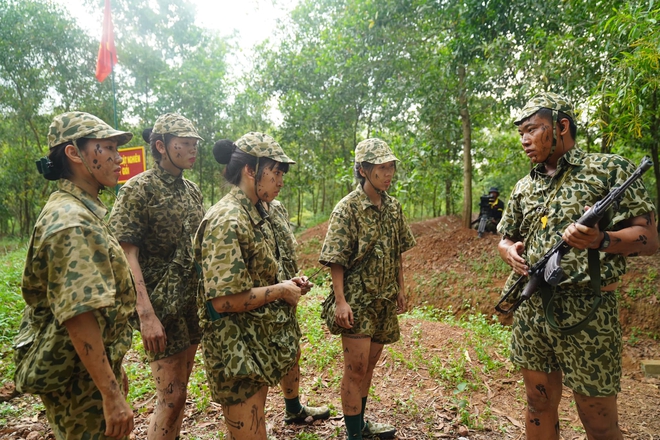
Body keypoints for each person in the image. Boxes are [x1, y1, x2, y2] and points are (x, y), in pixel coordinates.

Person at [497, 92, 658, 440]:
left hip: (589, 313)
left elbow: (649, 238)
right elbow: (505, 237)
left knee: (598, 420)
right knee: (537, 405)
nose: (524, 139)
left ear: (562, 126)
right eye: (521, 132)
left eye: (532, 129)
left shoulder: (609, 169)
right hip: (534, 309)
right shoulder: (525, 185)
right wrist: (508, 251)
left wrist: (602, 241)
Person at [194, 133, 327, 440]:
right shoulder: (228, 220)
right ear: (250, 170)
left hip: (258, 341)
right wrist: (281, 290)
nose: (280, 181)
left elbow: (259, 274)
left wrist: (287, 282)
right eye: (275, 172)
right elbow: (222, 302)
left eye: (282, 173)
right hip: (235, 351)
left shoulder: (257, 209)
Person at [14, 111, 135, 439]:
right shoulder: (71, 221)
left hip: (86, 372)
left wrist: (113, 374)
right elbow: (78, 315)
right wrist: (110, 393)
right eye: (107, 148)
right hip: (78, 380)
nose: (118, 157)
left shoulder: (82, 210)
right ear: (74, 153)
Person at [108, 113, 204, 440]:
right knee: (171, 397)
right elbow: (126, 253)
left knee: (180, 395)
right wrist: (145, 314)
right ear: (161, 146)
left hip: (189, 302)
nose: (193, 150)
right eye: (185, 144)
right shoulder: (138, 190)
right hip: (159, 306)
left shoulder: (192, 191)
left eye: (195, 144)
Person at [319, 138, 416, 440]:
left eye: (391, 167)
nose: (388, 174)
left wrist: (400, 288)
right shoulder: (347, 209)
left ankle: (359, 424)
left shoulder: (393, 207)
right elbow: (336, 259)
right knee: (355, 369)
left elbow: (397, 250)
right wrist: (340, 302)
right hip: (357, 302)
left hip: (384, 300)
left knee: (370, 365)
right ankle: (353, 434)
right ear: (363, 170)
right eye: (381, 168)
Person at [261, 198, 330, 425]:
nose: (280, 180)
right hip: (259, 302)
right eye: (275, 171)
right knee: (259, 364)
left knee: (291, 350)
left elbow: (285, 253)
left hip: (285, 297)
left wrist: (295, 282)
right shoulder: (239, 213)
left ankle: (293, 408)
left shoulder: (278, 207)